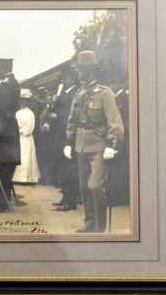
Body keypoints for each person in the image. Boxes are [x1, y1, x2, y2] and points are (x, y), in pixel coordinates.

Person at [64, 51, 124, 232]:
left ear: (92, 71)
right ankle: (90, 224)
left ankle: (100, 226)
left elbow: (115, 121)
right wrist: (68, 141)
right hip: (81, 145)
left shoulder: (105, 93)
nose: (80, 74)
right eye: (79, 70)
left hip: (98, 146)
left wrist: (112, 145)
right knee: (84, 187)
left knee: (95, 186)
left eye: (83, 70)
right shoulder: (79, 93)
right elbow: (72, 120)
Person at [0, 58, 21, 214]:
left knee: (5, 167)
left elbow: (1, 107)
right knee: (3, 167)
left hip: (5, 129)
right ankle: (2, 201)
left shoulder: (6, 84)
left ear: (3, 66)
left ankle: (4, 203)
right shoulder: (8, 82)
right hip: (7, 127)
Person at [49, 63, 81, 211]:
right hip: (60, 135)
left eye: (65, 77)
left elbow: (71, 114)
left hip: (67, 134)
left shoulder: (74, 92)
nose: (63, 80)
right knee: (63, 168)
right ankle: (65, 197)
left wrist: (57, 115)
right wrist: (54, 105)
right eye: (63, 77)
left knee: (69, 168)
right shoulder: (64, 93)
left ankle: (70, 200)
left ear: (72, 78)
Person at [12, 88, 40, 185]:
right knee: (18, 156)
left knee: (26, 156)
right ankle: (17, 178)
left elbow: (29, 129)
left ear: (27, 101)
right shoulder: (17, 113)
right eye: (20, 100)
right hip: (18, 138)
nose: (21, 102)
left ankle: (26, 178)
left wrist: (19, 130)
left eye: (24, 100)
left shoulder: (30, 113)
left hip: (26, 139)